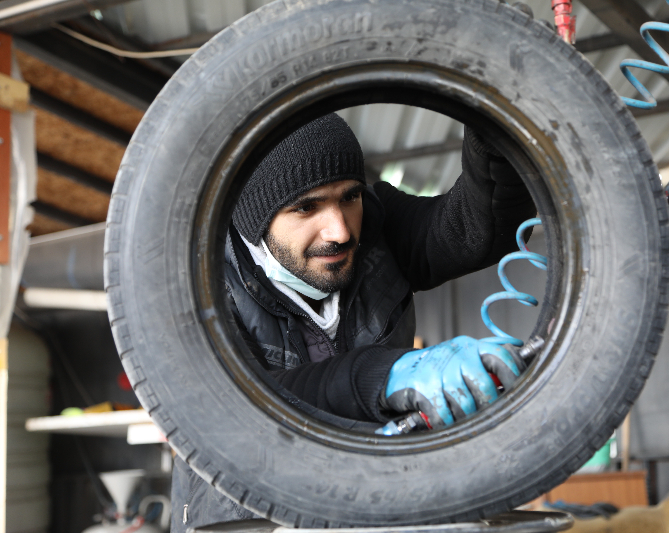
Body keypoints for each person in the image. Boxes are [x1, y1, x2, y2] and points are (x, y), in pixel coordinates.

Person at [171, 113, 537, 531]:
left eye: (349, 197)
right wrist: (385, 376)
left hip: (378, 510)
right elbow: (241, 405)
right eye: (306, 207)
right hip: (252, 517)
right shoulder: (195, 284)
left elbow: (476, 228)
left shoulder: (377, 228)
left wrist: (498, 117)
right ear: (257, 217)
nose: (341, 231)